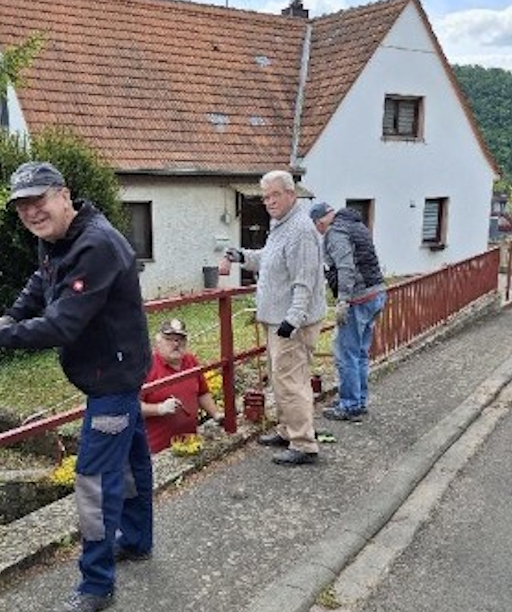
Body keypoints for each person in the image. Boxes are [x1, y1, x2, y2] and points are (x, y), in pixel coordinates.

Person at [0, 161, 153, 612]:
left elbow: (62, 324)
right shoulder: (58, 238)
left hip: (112, 378)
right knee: (130, 459)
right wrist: (7, 317)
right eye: (22, 206)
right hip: (113, 368)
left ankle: (96, 584)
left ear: (64, 194)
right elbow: (41, 284)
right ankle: (136, 538)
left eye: (38, 201)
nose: (31, 213)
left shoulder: (96, 245)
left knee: (95, 481)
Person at [219, 170, 326, 465]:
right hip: (278, 319)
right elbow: (269, 258)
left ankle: (304, 443)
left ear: (291, 194)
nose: (268, 202)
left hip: (291, 323)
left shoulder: (301, 230)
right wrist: (242, 256)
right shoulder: (282, 224)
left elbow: (305, 280)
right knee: (280, 378)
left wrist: (293, 320)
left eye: (274, 195)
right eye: (265, 197)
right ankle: (287, 430)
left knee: (292, 381)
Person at [309, 202, 387, 422]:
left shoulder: (336, 232)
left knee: (346, 353)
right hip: (377, 293)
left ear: (320, 221)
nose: (320, 231)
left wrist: (343, 300)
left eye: (318, 227)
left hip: (358, 298)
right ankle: (358, 400)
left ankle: (350, 405)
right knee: (360, 353)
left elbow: (345, 267)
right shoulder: (355, 225)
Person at [141, 318, 224, 453]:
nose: (176, 343)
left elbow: (202, 393)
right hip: (157, 450)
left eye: (180, 339)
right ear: (158, 342)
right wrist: (160, 408)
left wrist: (216, 414)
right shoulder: (146, 367)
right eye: (169, 339)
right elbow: (131, 406)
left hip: (190, 442)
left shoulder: (190, 361)